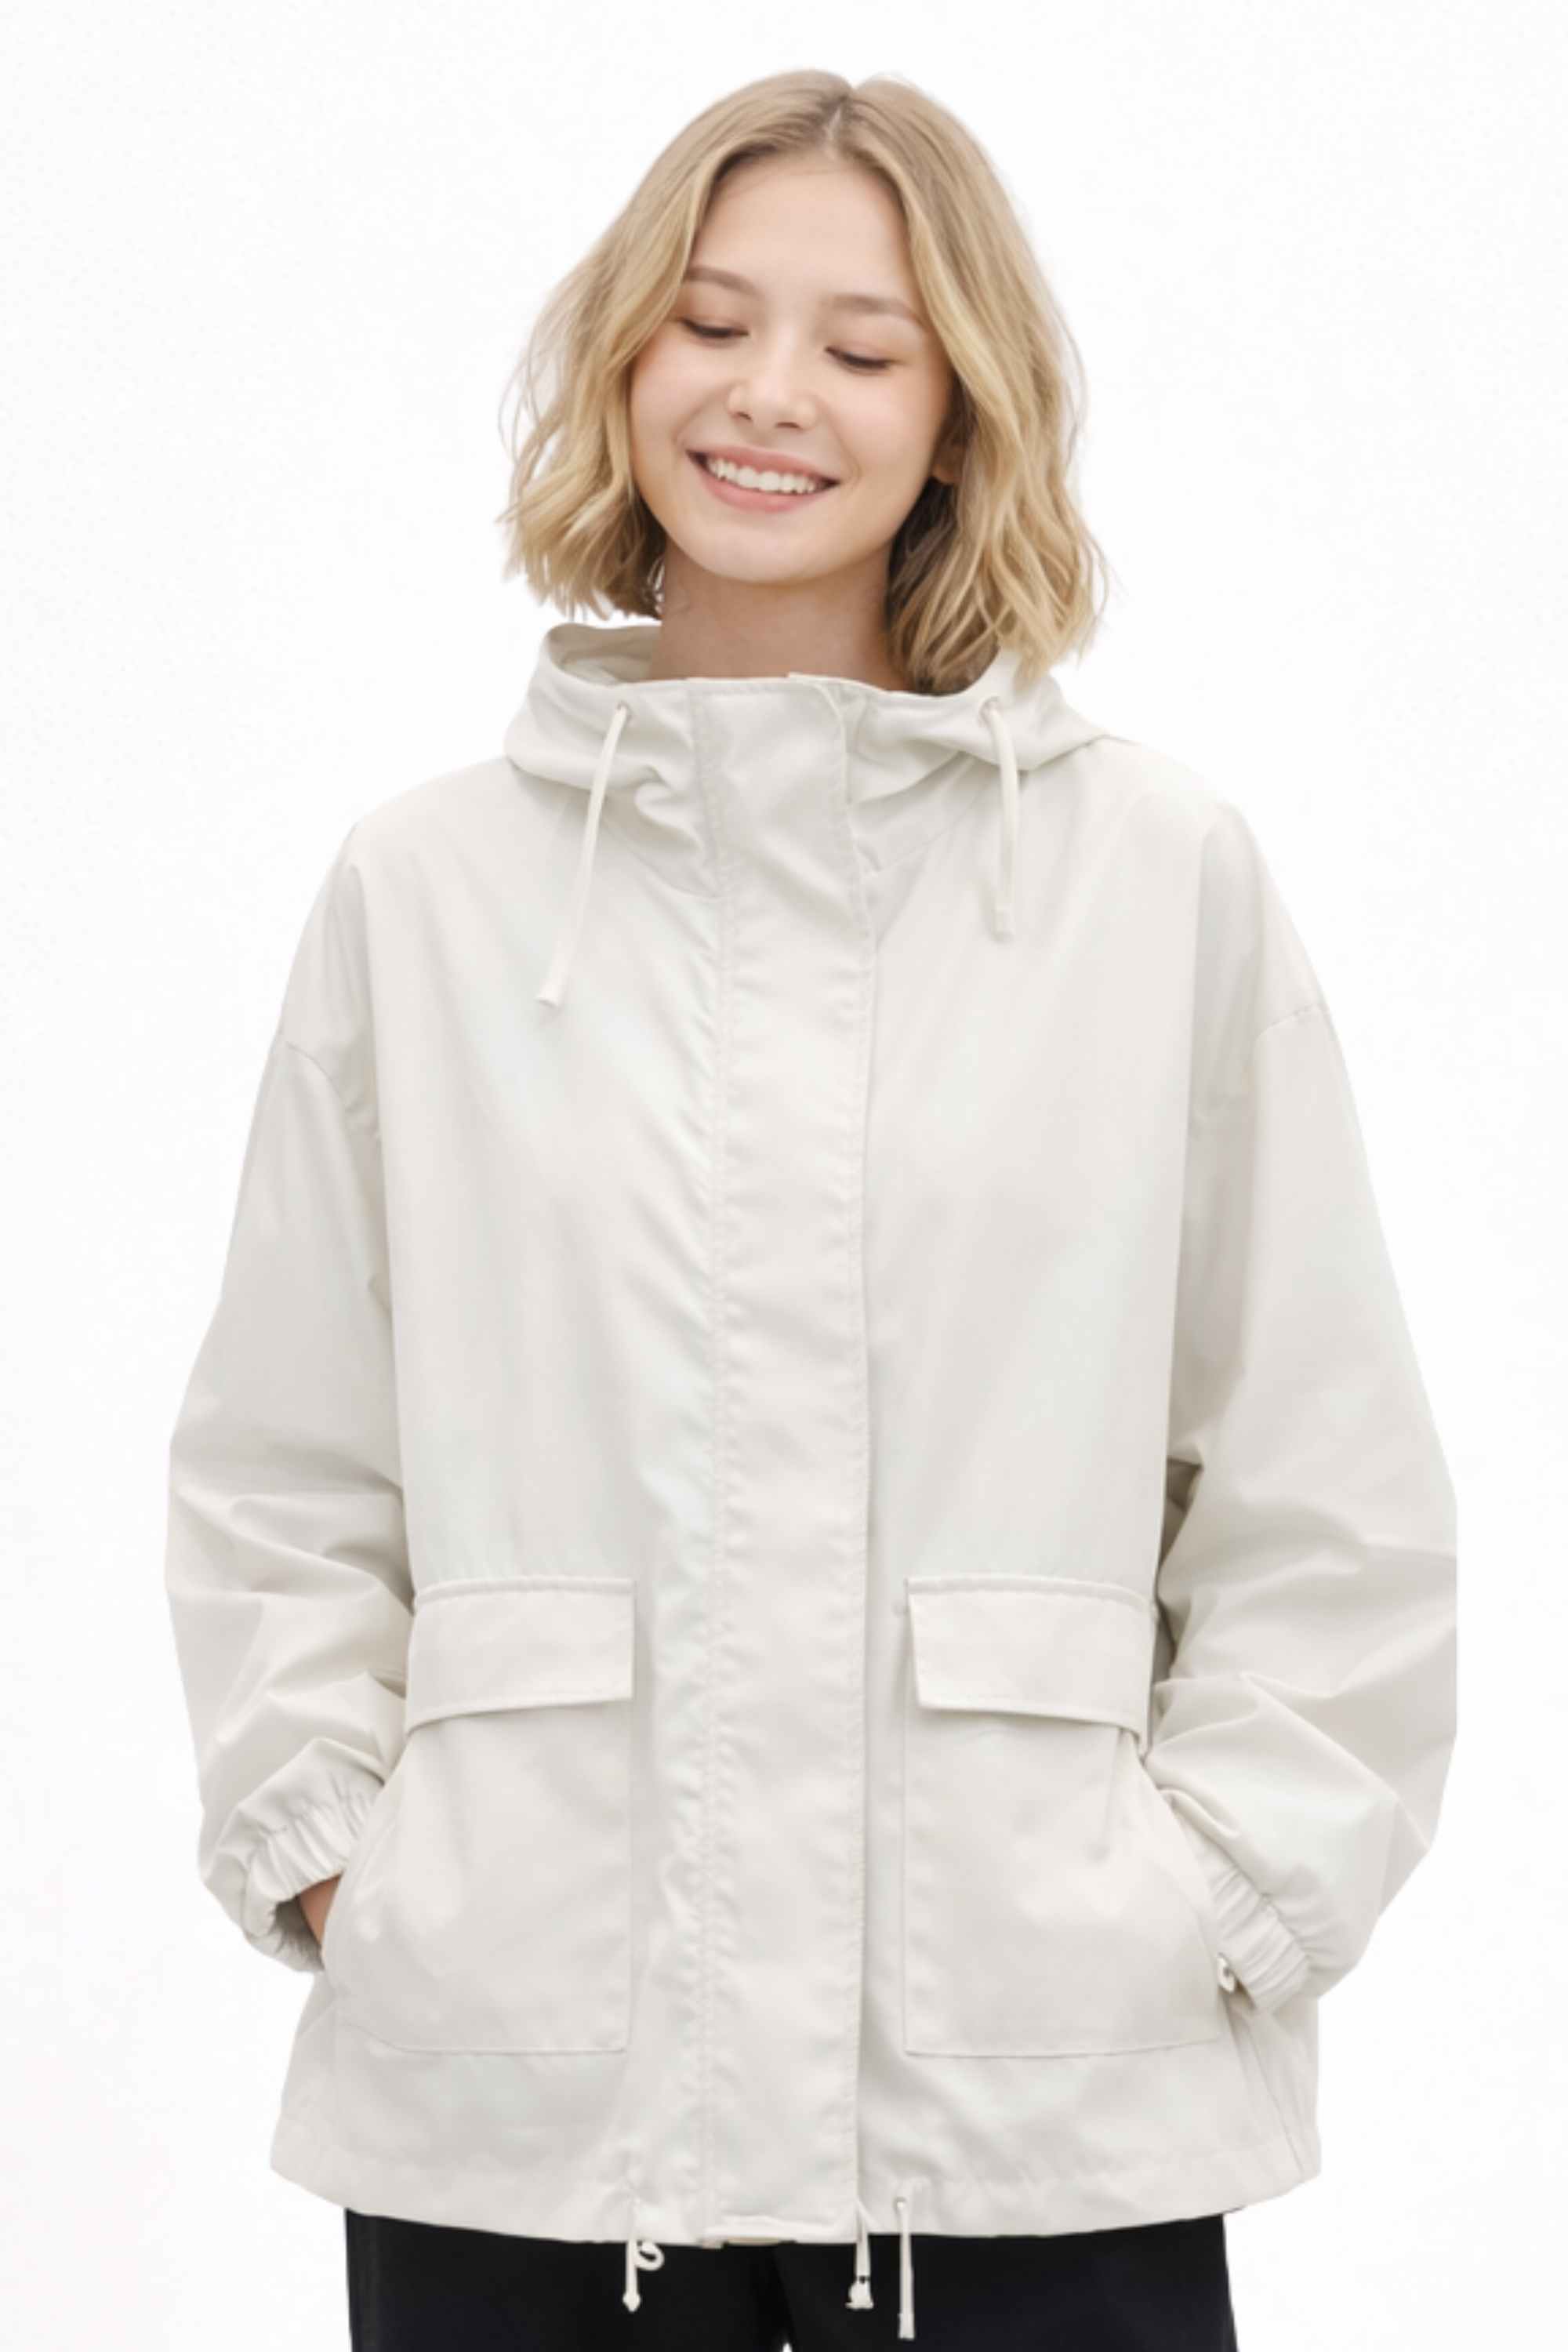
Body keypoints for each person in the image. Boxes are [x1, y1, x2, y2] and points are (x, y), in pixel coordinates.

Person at [165, 69, 1457, 2352]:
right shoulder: (428, 891)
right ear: (622, 362)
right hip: (530, 2083)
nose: (771, 394)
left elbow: (1318, 1479)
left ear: (958, 417)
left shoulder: (1152, 879)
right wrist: (354, 1868)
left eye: (864, 347)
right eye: (710, 322)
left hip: (1038, 2083)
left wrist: (1222, 1897)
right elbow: (288, 1465)